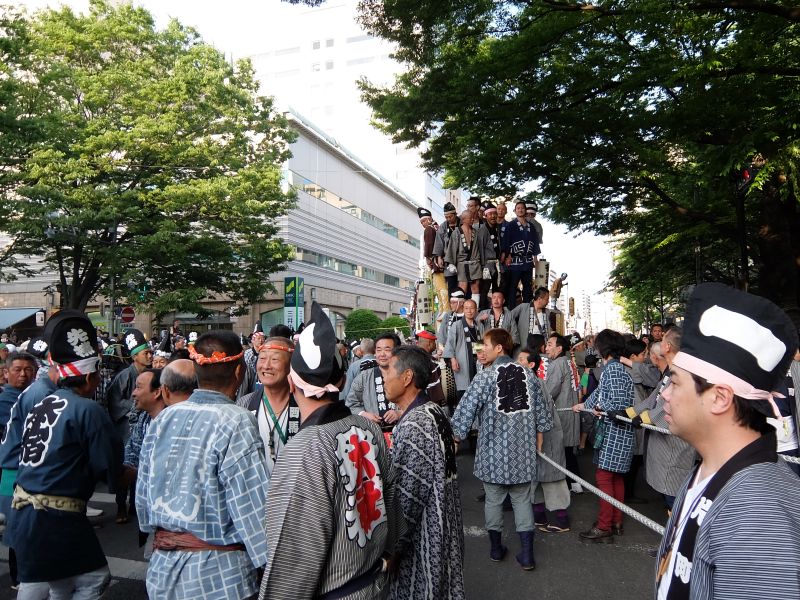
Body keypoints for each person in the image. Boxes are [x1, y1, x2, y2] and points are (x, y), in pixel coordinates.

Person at [655, 283, 800, 599]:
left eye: (675, 383)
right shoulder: (712, 468)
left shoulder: (759, 514)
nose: (664, 394)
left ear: (720, 397)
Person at [258, 302, 399, 599]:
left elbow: (291, 558)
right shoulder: (369, 428)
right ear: (342, 381)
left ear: (291, 382)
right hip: (374, 581)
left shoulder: (304, 448)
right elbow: (393, 503)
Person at [136, 331, 268, 600]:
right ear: (239, 371)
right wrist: (272, 566)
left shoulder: (164, 418)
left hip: (163, 570)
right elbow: (252, 509)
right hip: (220, 576)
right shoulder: (237, 420)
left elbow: (143, 500)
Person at [5, 310, 122, 599]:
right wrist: (123, 476)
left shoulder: (43, 401)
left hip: (26, 508)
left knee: (54, 580)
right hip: (55, 515)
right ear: (90, 376)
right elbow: (108, 464)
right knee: (92, 577)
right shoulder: (87, 409)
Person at [451, 328, 552, 570]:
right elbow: (543, 415)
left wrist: (455, 437)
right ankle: (527, 555)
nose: (481, 350)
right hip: (523, 452)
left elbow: (464, 413)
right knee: (522, 501)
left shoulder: (485, 377)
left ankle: (496, 549)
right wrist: (538, 438)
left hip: (491, 453)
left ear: (499, 348)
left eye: (485, 345)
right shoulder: (529, 376)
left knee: (493, 500)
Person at [384, 346, 464, 599]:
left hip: (426, 538)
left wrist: (394, 549)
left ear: (407, 377)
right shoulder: (433, 410)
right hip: (446, 525)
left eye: (388, 370)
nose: (384, 377)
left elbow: (408, 497)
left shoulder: (415, 423)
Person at [571, 329, 634, 543]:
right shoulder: (617, 368)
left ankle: (604, 525)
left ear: (603, 348)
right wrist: (583, 405)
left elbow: (614, 403)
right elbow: (600, 395)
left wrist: (596, 407)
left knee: (605, 477)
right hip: (620, 432)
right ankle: (616, 522)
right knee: (615, 478)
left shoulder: (612, 370)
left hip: (614, 432)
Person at [106, 327, 152, 523]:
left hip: (142, 427)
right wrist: (135, 407)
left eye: (150, 352)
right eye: (145, 353)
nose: (149, 356)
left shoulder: (151, 375)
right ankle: (120, 506)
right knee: (125, 466)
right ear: (134, 357)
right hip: (125, 428)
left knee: (140, 466)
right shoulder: (124, 376)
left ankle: (135, 504)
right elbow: (113, 401)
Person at [236, 337, 300, 475]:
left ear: (292, 364)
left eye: (275, 359)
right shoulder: (244, 404)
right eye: (262, 358)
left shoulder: (304, 405)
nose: (266, 366)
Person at [544, 334, 582, 495]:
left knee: (561, 450)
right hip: (571, 409)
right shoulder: (568, 361)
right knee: (568, 450)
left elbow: (550, 391)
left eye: (550, 344)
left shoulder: (557, 364)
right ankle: (575, 483)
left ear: (559, 348)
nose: (546, 348)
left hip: (562, 412)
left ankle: (567, 484)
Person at [346, 332, 403, 426]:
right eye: (379, 350)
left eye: (387, 350)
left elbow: (418, 403)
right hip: (373, 431)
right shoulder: (363, 377)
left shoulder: (406, 376)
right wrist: (364, 414)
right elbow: (350, 404)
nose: (382, 354)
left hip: (402, 428)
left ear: (398, 352)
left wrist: (400, 413)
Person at [500, 200, 540, 309]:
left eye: (522, 208)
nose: (520, 210)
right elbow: (506, 242)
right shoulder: (511, 225)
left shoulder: (531, 226)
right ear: (515, 211)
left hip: (527, 261)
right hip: (514, 261)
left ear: (525, 210)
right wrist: (507, 256)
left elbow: (535, 242)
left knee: (527, 288)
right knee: (512, 288)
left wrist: (535, 258)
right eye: (518, 208)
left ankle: (527, 311)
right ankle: (511, 311)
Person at [442, 299, 482, 406]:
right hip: (462, 362)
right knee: (463, 390)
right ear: (463, 310)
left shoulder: (479, 326)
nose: (469, 311)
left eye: (472, 308)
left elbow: (480, 345)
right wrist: (452, 359)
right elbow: (450, 343)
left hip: (477, 362)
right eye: (466, 308)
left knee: (477, 391)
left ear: (476, 310)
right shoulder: (457, 325)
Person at [445, 210, 483, 298]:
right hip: (462, 264)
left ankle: (475, 306)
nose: (472, 219)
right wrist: (451, 263)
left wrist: (483, 264)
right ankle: (462, 306)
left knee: (475, 288)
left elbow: (480, 249)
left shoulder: (475, 232)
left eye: (473, 218)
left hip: (475, 263)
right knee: (462, 288)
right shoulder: (456, 232)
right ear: (464, 219)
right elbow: (452, 247)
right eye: (470, 218)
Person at [419, 206, 449, 313]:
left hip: (436, 263)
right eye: (421, 222)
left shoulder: (429, 229)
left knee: (441, 289)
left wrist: (428, 258)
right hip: (445, 262)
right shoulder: (439, 227)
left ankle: (444, 311)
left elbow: (429, 245)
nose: (422, 224)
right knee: (445, 287)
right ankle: (445, 310)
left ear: (429, 219)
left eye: (423, 221)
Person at [433, 202, 461, 296]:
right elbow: (439, 242)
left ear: (455, 214)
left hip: (462, 259)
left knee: (463, 285)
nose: (448, 219)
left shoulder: (462, 223)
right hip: (448, 259)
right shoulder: (443, 226)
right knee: (451, 286)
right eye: (446, 217)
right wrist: (439, 257)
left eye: (450, 217)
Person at [413, 329, 446, 406]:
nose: (435, 345)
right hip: (429, 402)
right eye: (434, 342)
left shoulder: (417, 356)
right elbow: (433, 386)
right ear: (429, 343)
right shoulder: (428, 361)